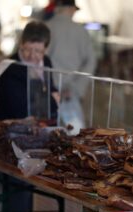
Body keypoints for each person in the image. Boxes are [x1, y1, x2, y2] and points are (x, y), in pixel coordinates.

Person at [46, 0, 96, 134]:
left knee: (45, 133)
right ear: (70, 9)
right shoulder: (80, 31)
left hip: (47, 92)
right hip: (70, 94)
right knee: (74, 135)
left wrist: (48, 86)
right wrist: (76, 89)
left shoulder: (46, 27)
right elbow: (91, 62)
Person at [0, 20, 59, 121]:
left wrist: (53, 95)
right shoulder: (10, 67)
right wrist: (53, 100)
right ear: (21, 44)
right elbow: (20, 108)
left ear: (46, 49)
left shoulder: (46, 61)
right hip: (11, 126)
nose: (32, 56)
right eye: (27, 49)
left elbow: (50, 88)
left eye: (38, 51)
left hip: (40, 124)